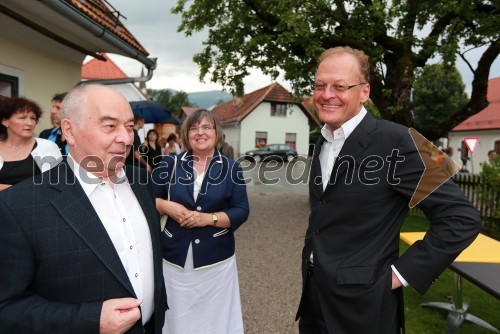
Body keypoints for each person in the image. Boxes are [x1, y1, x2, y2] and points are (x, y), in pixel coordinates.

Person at [295, 46, 482, 334]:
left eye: (340, 86)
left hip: (365, 308)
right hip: (314, 298)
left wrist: (399, 275)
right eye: (320, 85)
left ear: (365, 92)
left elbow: (462, 218)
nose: (327, 94)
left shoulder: (403, 140)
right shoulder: (323, 139)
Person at [0, 85, 167, 333]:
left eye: (130, 127)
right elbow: (7, 308)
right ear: (69, 130)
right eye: (110, 126)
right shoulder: (18, 206)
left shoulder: (142, 182)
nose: (126, 138)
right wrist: (89, 320)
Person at [152, 109, 249, 334]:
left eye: (207, 127)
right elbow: (149, 199)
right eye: (194, 128)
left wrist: (208, 218)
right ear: (186, 133)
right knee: (175, 315)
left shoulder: (231, 168)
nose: (200, 133)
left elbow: (241, 211)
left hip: (215, 262)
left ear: (216, 132)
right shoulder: (169, 164)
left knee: (212, 319)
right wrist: (167, 206)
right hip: (173, 260)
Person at [0, 96, 61, 190]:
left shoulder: (47, 147)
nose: (30, 123)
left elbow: (57, 185)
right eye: (22, 118)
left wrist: (13, 190)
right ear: (5, 121)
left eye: (33, 118)